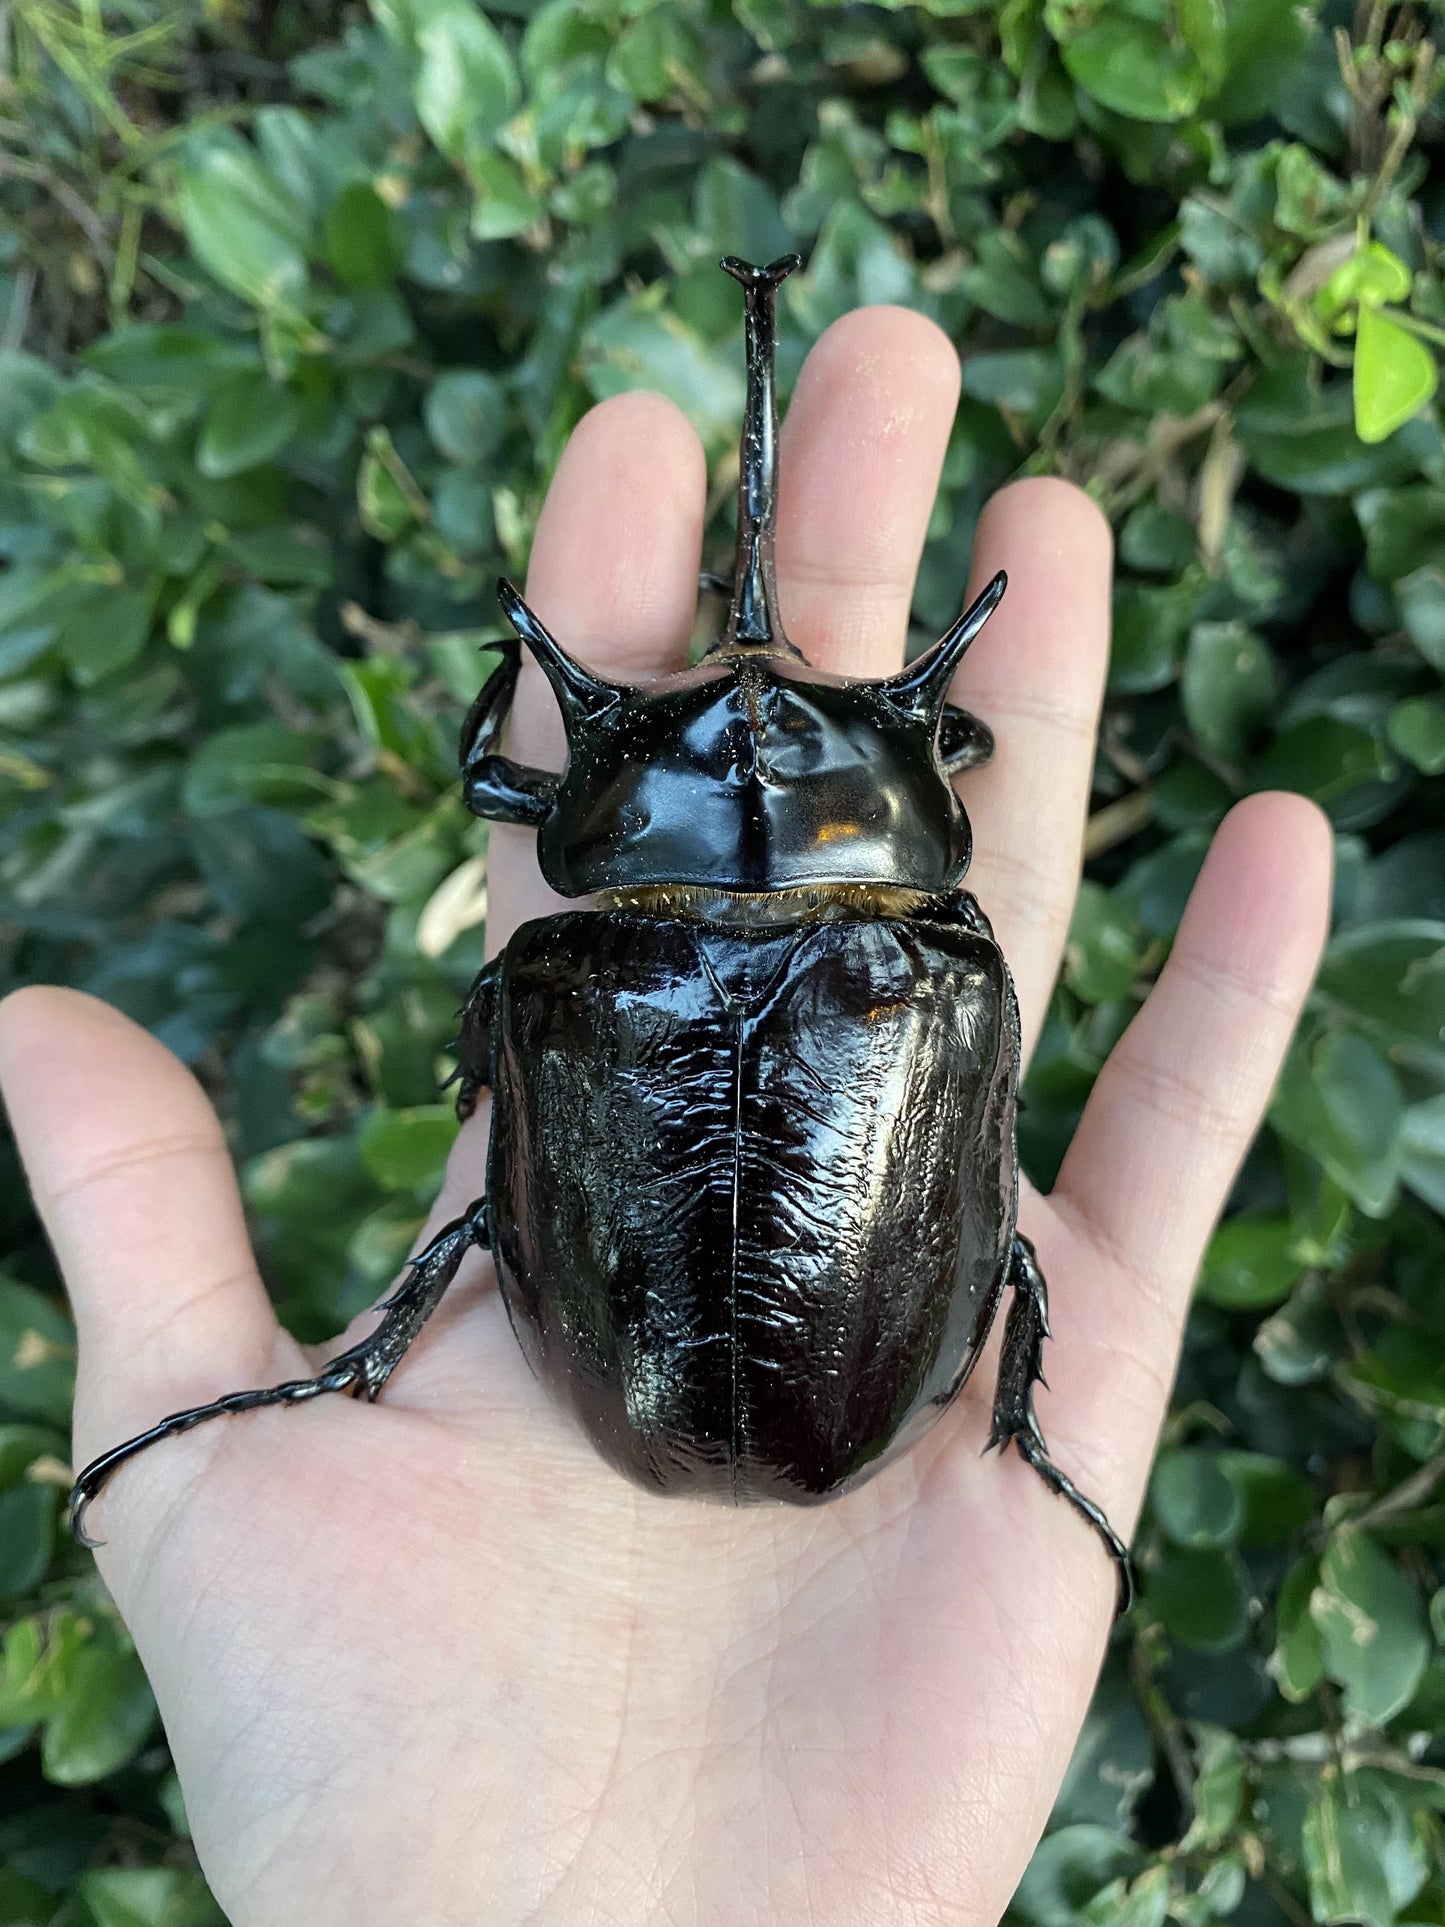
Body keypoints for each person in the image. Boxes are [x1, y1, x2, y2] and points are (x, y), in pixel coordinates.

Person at [0, 302, 1332, 1926]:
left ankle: (366, 1372)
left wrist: (532, 711)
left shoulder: (557, 972)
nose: (756, 680)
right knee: (1016, 1262)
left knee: (504, 1214)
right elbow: (995, 1229)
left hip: (676, 1379)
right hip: (842, 1389)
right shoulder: (947, 972)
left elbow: (503, 807)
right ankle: (1026, 1444)